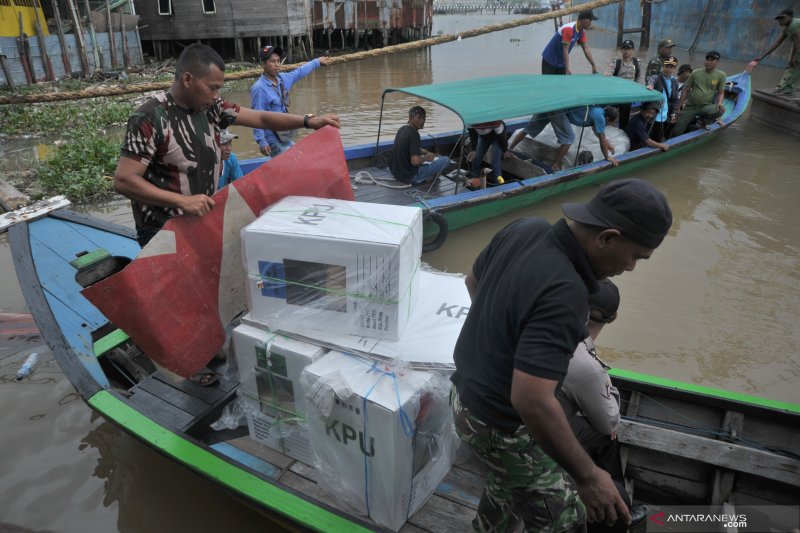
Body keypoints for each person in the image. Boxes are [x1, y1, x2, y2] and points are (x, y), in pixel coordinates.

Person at [451, 177, 672, 532]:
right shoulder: (566, 291)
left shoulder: (525, 228)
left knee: (508, 481)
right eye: (635, 256)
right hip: (501, 425)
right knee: (567, 519)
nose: (631, 267)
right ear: (607, 238)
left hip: (462, 398)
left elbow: (472, 282)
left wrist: (505, 344)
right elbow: (532, 400)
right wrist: (589, 477)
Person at [114, 43, 340, 248]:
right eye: (212, 88)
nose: (216, 95)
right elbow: (125, 181)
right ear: (187, 79)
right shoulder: (150, 117)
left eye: (219, 89)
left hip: (201, 221)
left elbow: (261, 118)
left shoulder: (212, 108)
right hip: (161, 232)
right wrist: (182, 201)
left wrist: (308, 121)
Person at [558, 280, 648, 533]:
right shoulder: (585, 363)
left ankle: (618, 496)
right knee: (606, 430)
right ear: (612, 318)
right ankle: (619, 508)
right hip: (532, 437)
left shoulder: (540, 320)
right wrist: (602, 377)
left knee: (601, 434)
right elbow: (609, 420)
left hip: (511, 417)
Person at [250, 45, 331, 158]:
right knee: (296, 160)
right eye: (273, 61)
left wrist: (317, 61)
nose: (277, 64)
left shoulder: (282, 79)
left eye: (278, 61)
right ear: (263, 64)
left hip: (285, 135)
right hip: (273, 140)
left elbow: (300, 72)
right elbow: (255, 117)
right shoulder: (259, 88)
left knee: (300, 157)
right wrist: (261, 141)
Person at [509, 106, 619, 170]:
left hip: (552, 105)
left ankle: (510, 148)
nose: (608, 125)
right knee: (569, 138)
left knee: (529, 128)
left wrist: (608, 144)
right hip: (559, 111)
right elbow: (602, 137)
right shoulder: (600, 117)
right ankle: (555, 164)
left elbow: (598, 132)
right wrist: (607, 157)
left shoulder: (598, 110)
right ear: (608, 118)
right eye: (610, 123)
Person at [390, 106, 450, 185]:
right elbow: (415, 161)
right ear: (411, 118)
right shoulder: (414, 134)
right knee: (445, 160)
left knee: (429, 160)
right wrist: (427, 158)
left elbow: (407, 147)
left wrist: (423, 151)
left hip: (397, 174)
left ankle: (428, 175)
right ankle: (424, 178)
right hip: (411, 177)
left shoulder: (402, 129)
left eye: (424, 118)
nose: (422, 121)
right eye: (419, 118)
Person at [672, 50, 726, 136]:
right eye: (707, 59)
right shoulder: (695, 73)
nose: (708, 62)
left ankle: (703, 121)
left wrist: (719, 103)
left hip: (706, 107)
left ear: (717, 62)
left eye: (712, 60)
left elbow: (720, 93)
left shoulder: (721, 75)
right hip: (690, 107)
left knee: (721, 109)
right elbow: (685, 91)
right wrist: (678, 108)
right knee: (676, 131)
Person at [753, 8, 800, 94]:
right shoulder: (787, 29)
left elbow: (798, 42)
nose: (780, 21)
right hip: (797, 45)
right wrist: (763, 56)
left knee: (794, 65)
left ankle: (789, 87)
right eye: (779, 19)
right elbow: (777, 43)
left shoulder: (794, 24)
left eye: (782, 18)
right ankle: (787, 86)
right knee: (792, 65)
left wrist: (793, 58)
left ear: (789, 17)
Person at [541, 9, 600, 75]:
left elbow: (586, 48)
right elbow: (565, 50)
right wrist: (568, 68)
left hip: (561, 63)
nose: (590, 23)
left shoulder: (581, 32)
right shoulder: (569, 29)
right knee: (548, 84)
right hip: (549, 61)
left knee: (560, 85)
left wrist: (593, 65)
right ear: (583, 19)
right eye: (590, 20)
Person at [604, 39, 642, 129]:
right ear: (621, 50)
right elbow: (608, 74)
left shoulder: (637, 63)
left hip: (628, 96)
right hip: (616, 95)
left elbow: (639, 75)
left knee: (624, 118)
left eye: (628, 49)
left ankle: (622, 133)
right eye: (624, 49)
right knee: (612, 115)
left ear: (632, 51)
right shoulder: (616, 63)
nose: (626, 51)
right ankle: (608, 132)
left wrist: (636, 88)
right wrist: (607, 75)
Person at [646, 55, 679, 141]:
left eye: (671, 67)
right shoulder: (655, 78)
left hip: (665, 114)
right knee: (650, 133)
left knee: (659, 134)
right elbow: (650, 84)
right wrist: (650, 86)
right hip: (654, 112)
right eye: (666, 66)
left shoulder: (674, 82)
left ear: (674, 69)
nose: (668, 69)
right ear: (663, 66)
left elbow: (675, 99)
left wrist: (673, 113)